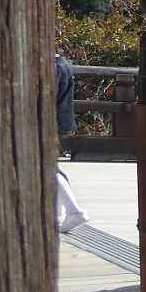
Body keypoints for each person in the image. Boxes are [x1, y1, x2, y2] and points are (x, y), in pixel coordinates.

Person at [52, 51, 86, 234]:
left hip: (50, 121)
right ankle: (59, 216)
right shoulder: (63, 64)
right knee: (51, 166)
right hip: (61, 121)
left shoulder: (53, 67)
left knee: (48, 167)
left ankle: (74, 210)